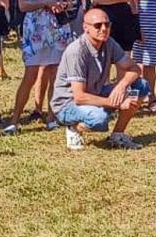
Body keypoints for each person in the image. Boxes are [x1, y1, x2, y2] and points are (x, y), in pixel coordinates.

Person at [52, 8, 149, 150]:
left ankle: (118, 134)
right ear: (86, 28)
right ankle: (74, 127)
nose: (104, 29)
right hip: (68, 104)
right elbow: (79, 97)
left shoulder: (109, 43)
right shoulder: (76, 51)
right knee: (99, 120)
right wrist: (116, 103)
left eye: (107, 25)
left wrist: (121, 87)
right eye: (98, 25)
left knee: (141, 86)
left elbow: (134, 69)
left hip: (96, 92)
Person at [8, 0, 71, 131]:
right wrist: (46, 2)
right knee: (31, 73)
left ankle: (51, 118)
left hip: (57, 28)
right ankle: (14, 120)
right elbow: (23, 4)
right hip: (35, 27)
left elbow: (69, 0)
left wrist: (63, 5)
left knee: (55, 73)